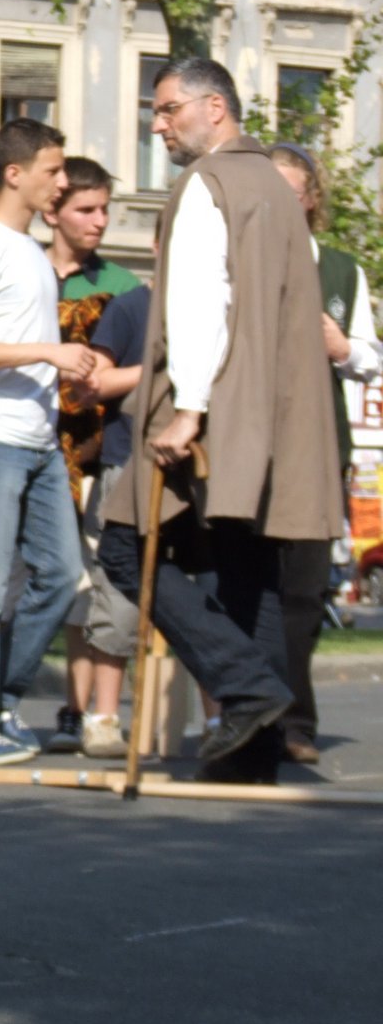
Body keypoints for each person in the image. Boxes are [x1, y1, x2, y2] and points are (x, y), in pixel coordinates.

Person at [98, 56, 344, 785]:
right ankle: (252, 753)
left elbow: (202, 305)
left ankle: (248, 687)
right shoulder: (274, 185)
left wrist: (190, 410)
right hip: (274, 411)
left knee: (125, 546)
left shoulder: (207, 184)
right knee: (248, 567)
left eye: (169, 109)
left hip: (217, 405)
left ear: (215, 107)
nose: (159, 125)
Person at [0, 117, 94, 765]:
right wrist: (48, 353)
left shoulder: (33, 252)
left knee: (60, 576)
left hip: (38, 441)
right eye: (52, 171)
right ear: (15, 174)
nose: (62, 182)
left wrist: (67, 372)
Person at [266, 142, 381, 764]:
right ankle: (254, 711)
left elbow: (369, 358)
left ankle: (296, 720)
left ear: (312, 200)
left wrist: (343, 348)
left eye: (293, 194)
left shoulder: (340, 270)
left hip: (318, 442)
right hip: (256, 440)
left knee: (306, 589)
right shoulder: (242, 262)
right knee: (254, 581)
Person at [42, 157, 143, 754]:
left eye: (106, 209)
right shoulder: (25, 274)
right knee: (39, 583)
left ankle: (81, 711)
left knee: (93, 582)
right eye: (87, 209)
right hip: (35, 448)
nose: (100, 221)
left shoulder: (123, 289)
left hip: (99, 453)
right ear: (53, 212)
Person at [76, 263, 153, 760]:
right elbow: (93, 383)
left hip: (199, 468)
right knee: (120, 590)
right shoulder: (131, 309)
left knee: (205, 592)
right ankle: (103, 718)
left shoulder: (221, 309)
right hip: (128, 464)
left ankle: (216, 718)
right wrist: (158, 370)